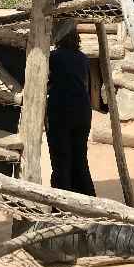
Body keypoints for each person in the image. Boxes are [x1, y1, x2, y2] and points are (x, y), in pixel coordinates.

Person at [46, 25, 95, 196]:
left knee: (61, 158)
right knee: (80, 158)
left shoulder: (53, 57)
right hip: (83, 111)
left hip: (61, 110)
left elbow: (46, 80)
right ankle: (87, 197)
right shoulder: (83, 58)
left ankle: (62, 202)